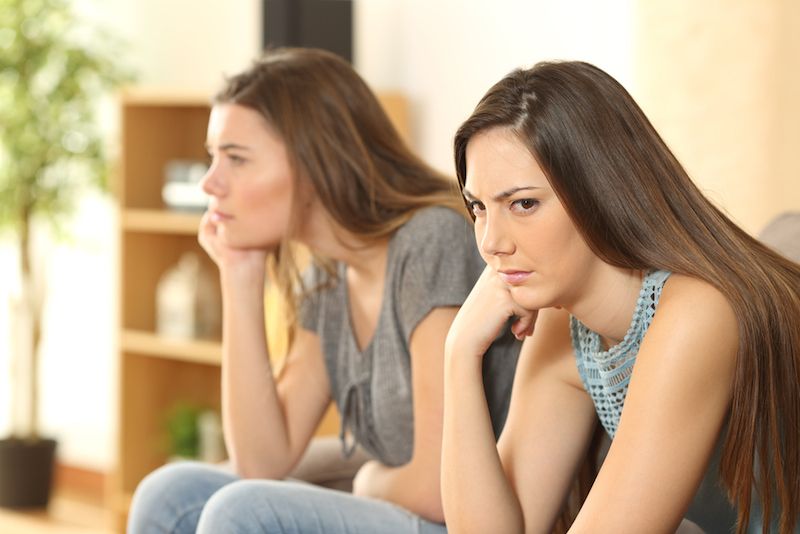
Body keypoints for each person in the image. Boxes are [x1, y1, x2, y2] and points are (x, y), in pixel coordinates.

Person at [127, 47, 520, 533]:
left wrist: (367, 479)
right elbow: (263, 458)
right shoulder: (329, 274)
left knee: (240, 512)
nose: (210, 183)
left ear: (314, 162)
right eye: (213, 158)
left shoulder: (429, 241)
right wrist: (239, 275)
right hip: (403, 502)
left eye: (236, 159)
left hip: (461, 519)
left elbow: (434, 488)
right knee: (169, 493)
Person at [441, 60, 800, 534]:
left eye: (523, 203)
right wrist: (459, 354)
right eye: (479, 208)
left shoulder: (697, 312)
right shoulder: (563, 328)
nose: (491, 242)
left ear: (600, 189)